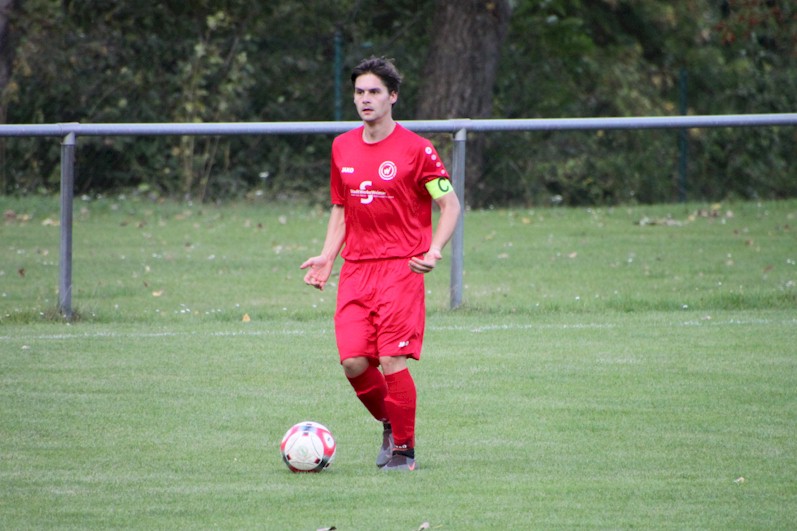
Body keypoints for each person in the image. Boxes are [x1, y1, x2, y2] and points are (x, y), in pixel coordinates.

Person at [300, 56, 461, 471]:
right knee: (354, 361)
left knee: (392, 359)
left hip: (401, 268)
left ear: (393, 96)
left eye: (374, 92)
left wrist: (434, 248)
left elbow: (450, 205)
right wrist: (327, 256)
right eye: (359, 92)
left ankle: (404, 451)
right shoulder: (342, 146)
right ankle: (391, 421)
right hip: (356, 269)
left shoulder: (417, 150)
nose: (365, 99)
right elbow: (341, 207)